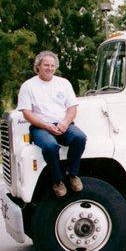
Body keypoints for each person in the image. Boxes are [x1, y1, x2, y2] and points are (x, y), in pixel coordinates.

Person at [17, 51, 87, 197]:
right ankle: (57, 181)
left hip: (63, 124)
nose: (49, 68)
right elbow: (27, 113)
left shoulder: (64, 83)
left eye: (52, 65)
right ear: (38, 66)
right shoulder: (28, 86)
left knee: (80, 137)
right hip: (40, 127)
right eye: (46, 65)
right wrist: (46, 126)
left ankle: (72, 175)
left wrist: (66, 123)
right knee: (50, 146)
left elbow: (72, 108)